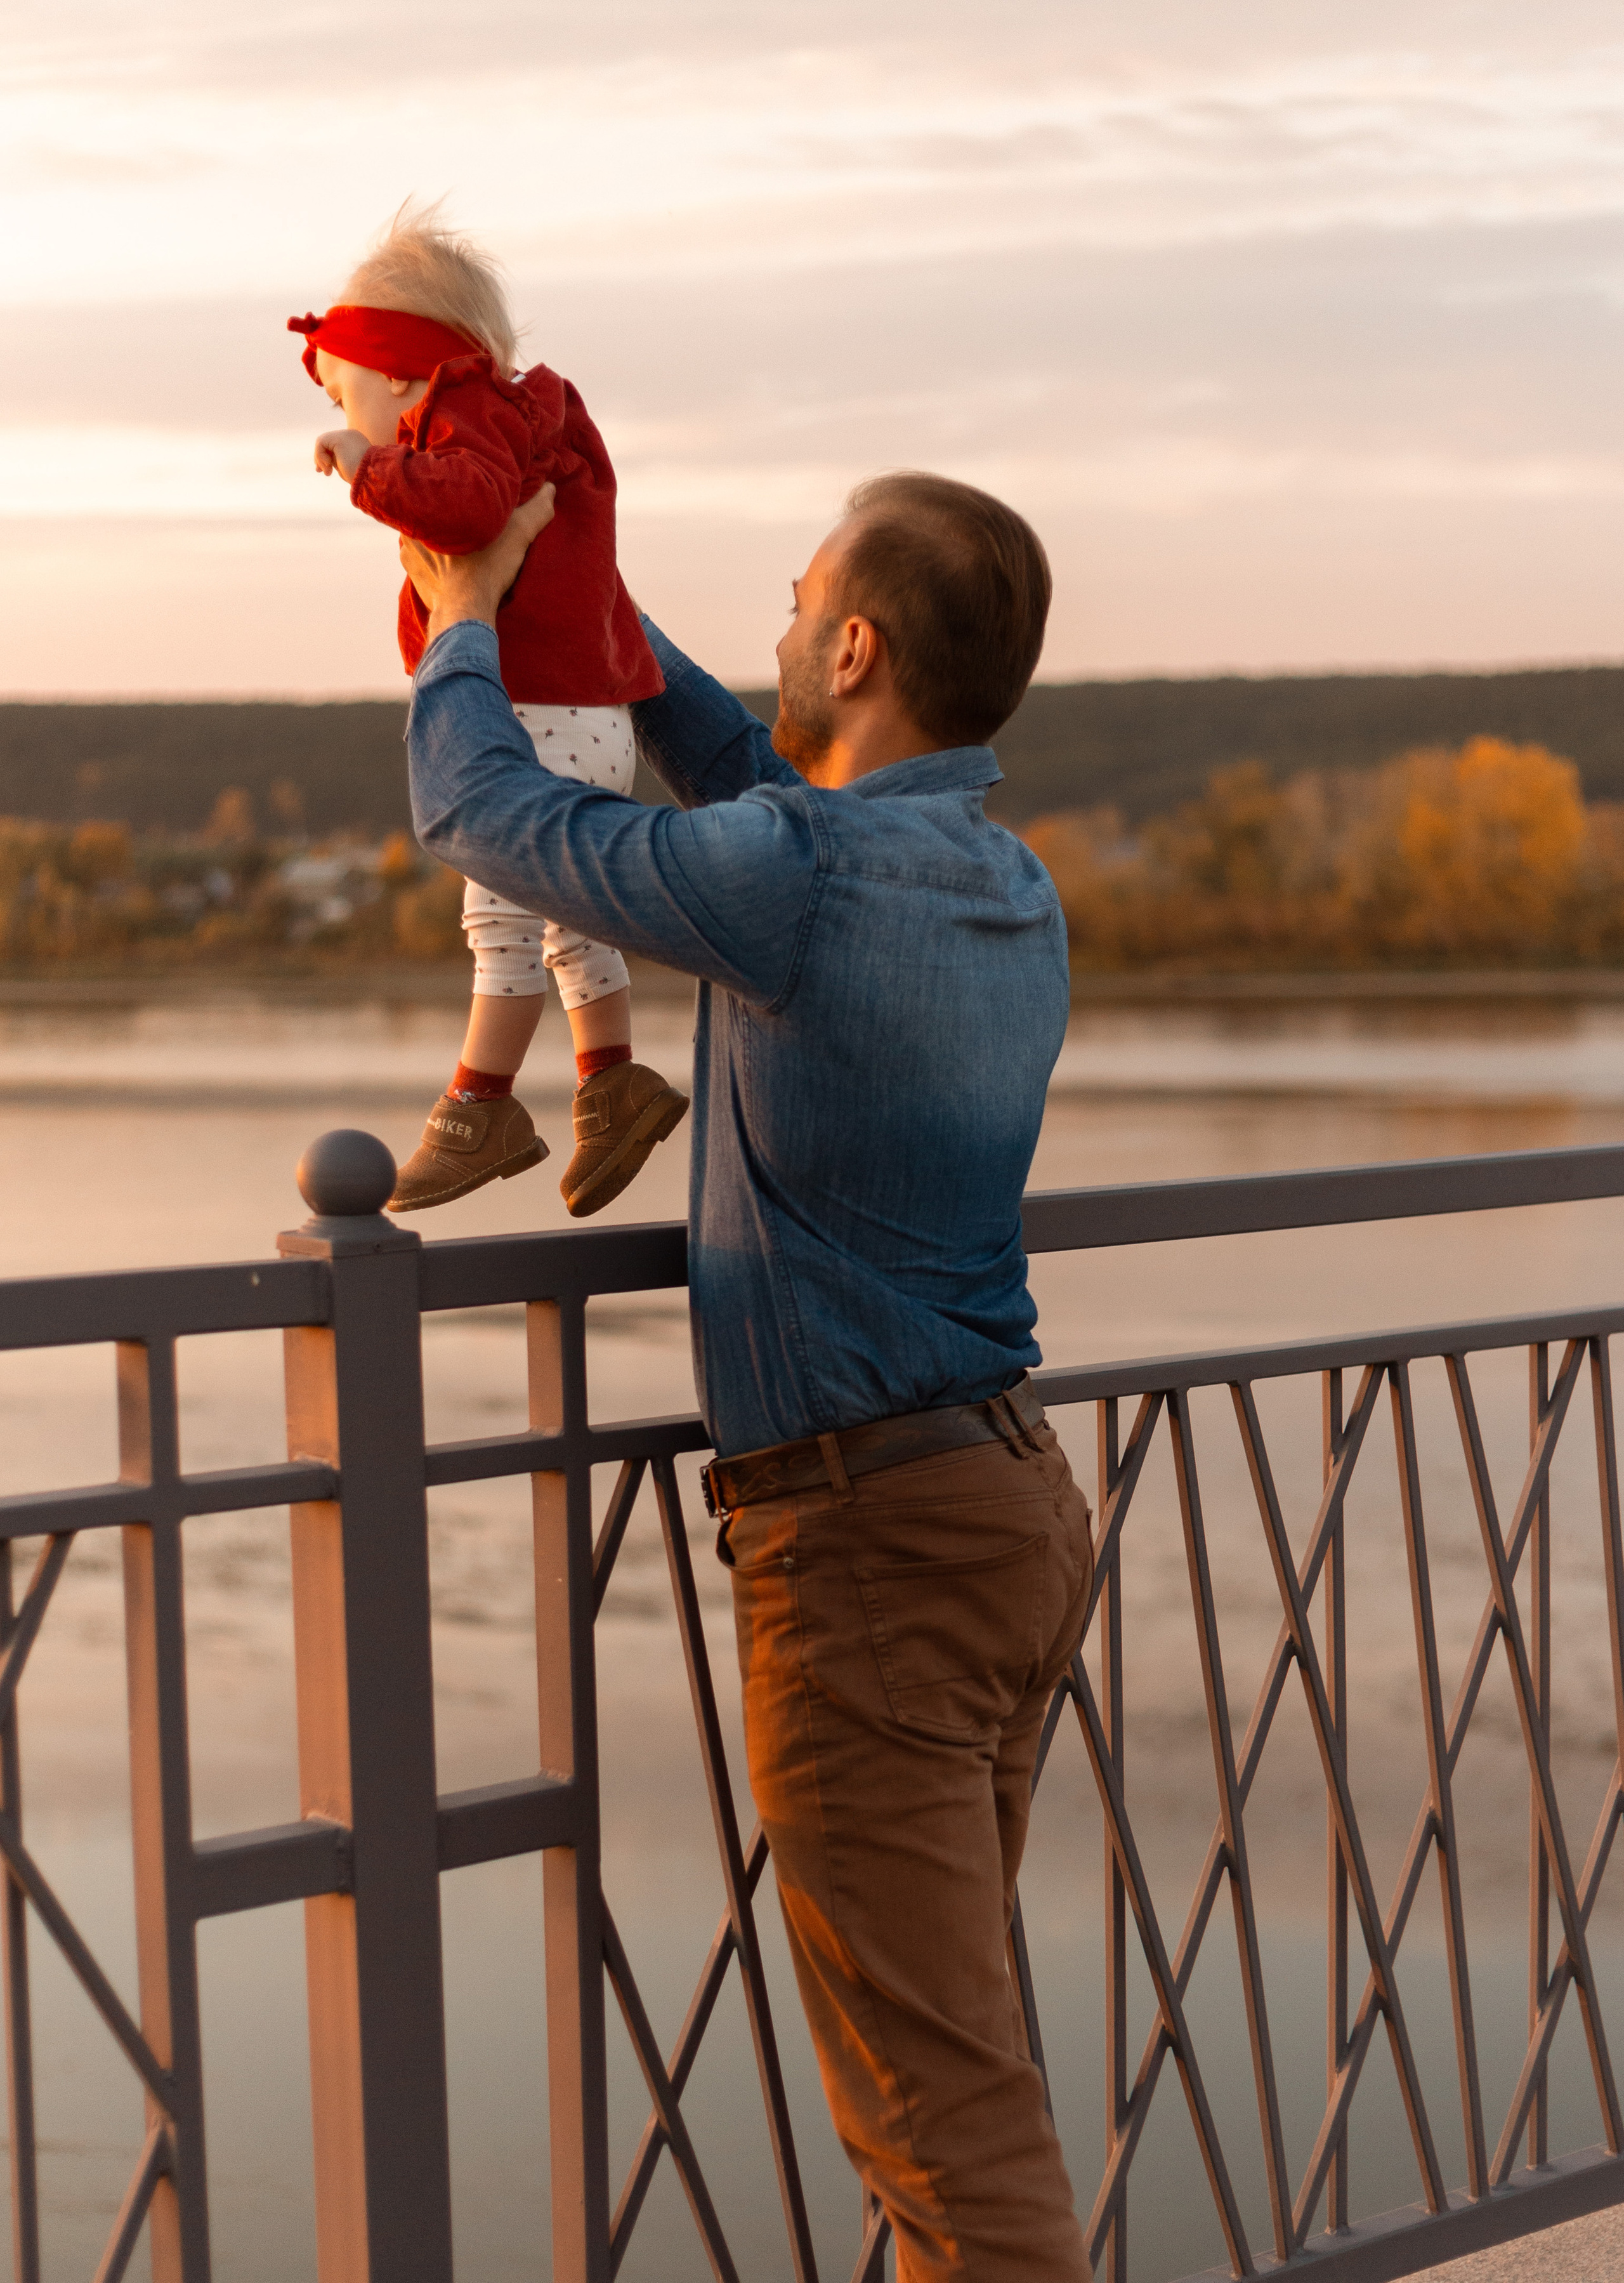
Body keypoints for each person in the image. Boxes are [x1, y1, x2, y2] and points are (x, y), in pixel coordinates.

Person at [401, 471, 1096, 2282]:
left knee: (945, 2128)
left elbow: (487, 811)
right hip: (1008, 1509)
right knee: (953, 2055)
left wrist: (461, 617)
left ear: (852, 648)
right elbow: (733, 760)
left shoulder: (799, 879)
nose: (778, 628)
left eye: (796, 602)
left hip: (869, 1555)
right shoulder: (1006, 881)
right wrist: (573, 589)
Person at [288, 201, 687, 1217]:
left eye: (344, 393)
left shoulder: (467, 421)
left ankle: (481, 1108)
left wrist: (367, 465)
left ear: (400, 373)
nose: (343, 416)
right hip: (589, 712)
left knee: (499, 918)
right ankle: (612, 1086)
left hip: (538, 711)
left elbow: (467, 514)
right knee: (571, 919)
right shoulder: (515, 422)